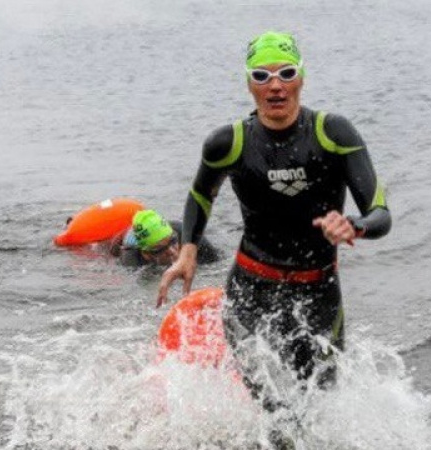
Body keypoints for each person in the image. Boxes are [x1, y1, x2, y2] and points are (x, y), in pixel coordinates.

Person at [156, 31, 392, 420]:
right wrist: (187, 252)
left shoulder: (333, 134)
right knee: (271, 410)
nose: (275, 86)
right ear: (249, 85)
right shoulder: (227, 143)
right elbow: (201, 194)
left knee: (318, 406)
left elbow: (381, 213)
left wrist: (355, 226)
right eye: (262, 76)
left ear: (301, 77)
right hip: (251, 290)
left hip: (318, 292)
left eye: (285, 72)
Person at [112, 209, 221, 268]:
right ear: (146, 254)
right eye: (160, 249)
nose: (172, 251)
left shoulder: (188, 235)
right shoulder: (131, 260)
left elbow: (218, 263)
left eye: (173, 241)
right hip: (123, 238)